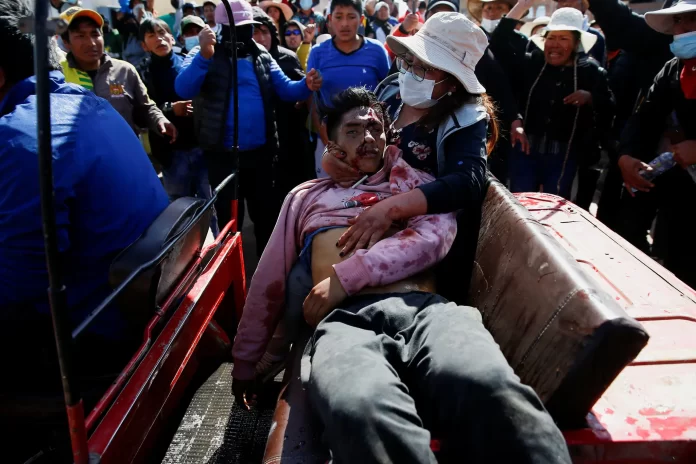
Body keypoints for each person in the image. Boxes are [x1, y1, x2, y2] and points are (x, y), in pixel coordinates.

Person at [231, 87, 572, 464]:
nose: (367, 138)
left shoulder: (413, 183)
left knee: (490, 388)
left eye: (375, 128)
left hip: (429, 313)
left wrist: (349, 273)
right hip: (344, 323)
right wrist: (247, 362)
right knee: (360, 404)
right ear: (332, 141)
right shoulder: (307, 197)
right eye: (353, 130)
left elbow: (435, 237)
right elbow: (270, 283)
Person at [322, 13, 516, 306]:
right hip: (362, 209)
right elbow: (356, 133)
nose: (411, 72)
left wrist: (391, 209)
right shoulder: (389, 92)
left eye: (426, 69)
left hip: (417, 240)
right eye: (409, 61)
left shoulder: (466, 118)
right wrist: (333, 157)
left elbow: (467, 182)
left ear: (452, 82)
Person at [175, 0, 322, 254]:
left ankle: (266, 271)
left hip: (261, 155)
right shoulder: (204, 53)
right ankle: (233, 273)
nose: (241, 33)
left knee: (265, 216)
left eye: (246, 27)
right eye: (235, 27)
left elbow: (286, 89)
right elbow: (183, 88)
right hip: (223, 156)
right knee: (229, 221)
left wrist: (306, 85)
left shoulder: (261, 55)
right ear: (220, 27)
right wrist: (204, 56)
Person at [489, 5, 614, 200]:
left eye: (564, 38)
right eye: (551, 38)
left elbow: (609, 109)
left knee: (554, 205)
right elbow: (497, 42)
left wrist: (590, 97)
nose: (555, 45)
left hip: (564, 157)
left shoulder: (591, 72)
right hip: (525, 148)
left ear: (576, 43)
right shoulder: (531, 63)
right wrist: (522, 5)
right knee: (520, 204)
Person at [615, 0, 696, 287]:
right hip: (678, 191)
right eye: (678, 21)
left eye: (691, 20)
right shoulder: (673, 69)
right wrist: (627, 155)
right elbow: (645, 116)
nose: (682, 28)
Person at [139, 19, 216, 231]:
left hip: (200, 147)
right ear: (144, 45)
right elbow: (143, 110)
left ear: (173, 38)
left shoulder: (188, 63)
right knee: (178, 211)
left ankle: (215, 253)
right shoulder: (141, 73)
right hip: (171, 155)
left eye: (163, 32)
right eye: (151, 35)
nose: (159, 38)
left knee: (210, 205)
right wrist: (172, 109)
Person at [59, 8, 177, 143]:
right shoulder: (58, 76)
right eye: (81, 36)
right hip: (81, 158)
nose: (91, 43)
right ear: (66, 42)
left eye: (95, 34)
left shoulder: (125, 71)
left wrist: (159, 120)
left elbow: (146, 107)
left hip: (124, 153)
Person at [306, 0, 390, 176]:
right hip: (329, 140)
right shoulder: (317, 52)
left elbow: (387, 97)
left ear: (361, 20)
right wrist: (331, 145)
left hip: (370, 142)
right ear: (329, 20)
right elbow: (313, 101)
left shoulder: (377, 51)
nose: (344, 24)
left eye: (351, 17)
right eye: (338, 17)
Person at [253, 8, 314, 198]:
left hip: (290, 136)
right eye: (255, 31)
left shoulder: (286, 58)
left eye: (265, 31)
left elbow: (300, 91)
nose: (261, 37)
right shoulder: (243, 62)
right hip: (261, 142)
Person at [554, 0, 607, 66]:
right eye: (561, 1)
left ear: (582, 5)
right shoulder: (546, 35)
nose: (565, 3)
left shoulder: (596, 37)